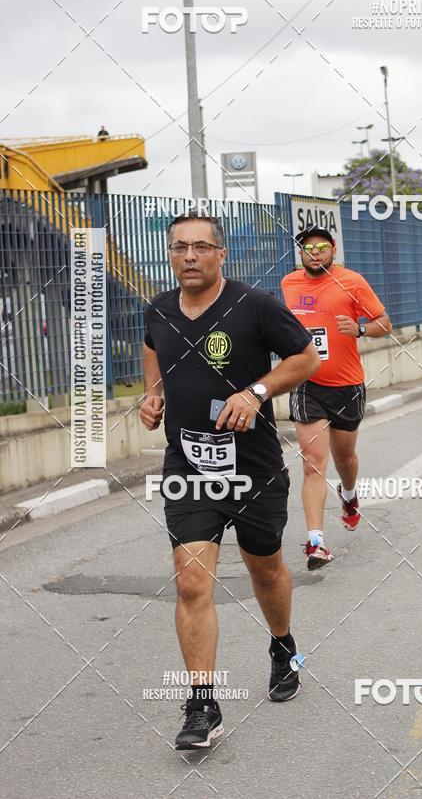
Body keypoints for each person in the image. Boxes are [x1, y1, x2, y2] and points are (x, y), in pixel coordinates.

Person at [140, 214, 319, 750]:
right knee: (191, 580)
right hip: (189, 468)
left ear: (221, 254)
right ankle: (202, 705)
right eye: (179, 248)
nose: (189, 256)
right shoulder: (159, 310)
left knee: (265, 569)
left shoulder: (254, 305)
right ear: (170, 255)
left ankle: (283, 646)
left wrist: (256, 394)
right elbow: (151, 346)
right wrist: (154, 394)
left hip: (254, 467)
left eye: (200, 246)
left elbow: (305, 357)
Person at [281, 227, 392, 569]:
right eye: (307, 248)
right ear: (300, 253)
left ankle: (349, 495)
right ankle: (316, 543)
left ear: (332, 249)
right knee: (313, 465)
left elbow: (385, 323)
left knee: (345, 460)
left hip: (346, 385)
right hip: (307, 384)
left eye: (321, 247)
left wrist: (359, 329)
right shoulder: (288, 284)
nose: (314, 253)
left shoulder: (352, 281)